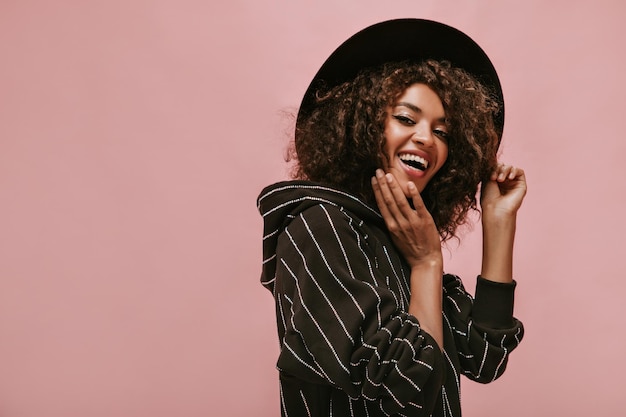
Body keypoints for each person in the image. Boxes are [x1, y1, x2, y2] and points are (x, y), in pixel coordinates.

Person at [257, 19, 526, 417]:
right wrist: (427, 263)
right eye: (406, 118)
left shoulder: (398, 238)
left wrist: (499, 221)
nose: (426, 138)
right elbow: (410, 395)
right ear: (361, 125)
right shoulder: (319, 228)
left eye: (444, 132)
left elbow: (485, 358)